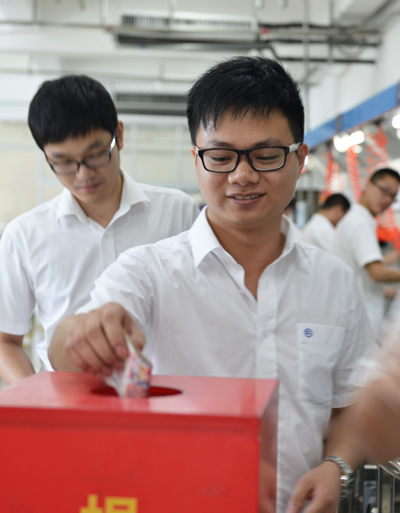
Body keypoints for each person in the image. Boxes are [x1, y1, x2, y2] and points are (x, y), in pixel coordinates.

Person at [49, 58, 374, 513]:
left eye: (266, 155)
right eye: (220, 157)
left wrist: (334, 466)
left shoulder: (334, 282)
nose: (242, 175)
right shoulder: (149, 271)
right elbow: (65, 350)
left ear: (300, 159)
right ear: (196, 160)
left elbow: (349, 406)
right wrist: (85, 333)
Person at [0, 75, 199, 385]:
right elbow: (5, 341)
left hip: (160, 396)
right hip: (66, 402)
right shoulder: (25, 235)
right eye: (63, 162)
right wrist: (33, 396)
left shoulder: (178, 212)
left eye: (94, 155)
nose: (83, 175)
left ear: (118, 135)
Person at [332, 168, 400, 336]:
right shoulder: (360, 222)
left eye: (392, 196)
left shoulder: (359, 219)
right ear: (368, 185)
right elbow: (377, 273)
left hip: (353, 316)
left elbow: (362, 275)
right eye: (384, 190)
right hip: (360, 320)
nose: (387, 199)